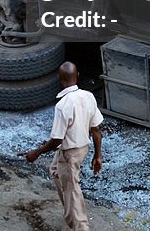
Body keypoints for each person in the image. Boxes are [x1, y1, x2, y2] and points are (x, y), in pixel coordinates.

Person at [20, 62, 103, 231]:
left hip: (70, 152)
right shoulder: (88, 96)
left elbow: (57, 139)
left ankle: (80, 226)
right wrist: (97, 156)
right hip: (82, 148)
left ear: (60, 79)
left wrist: (36, 152)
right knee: (56, 170)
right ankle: (70, 207)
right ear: (77, 75)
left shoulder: (62, 105)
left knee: (72, 190)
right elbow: (95, 130)